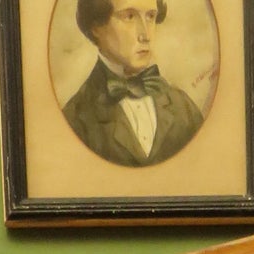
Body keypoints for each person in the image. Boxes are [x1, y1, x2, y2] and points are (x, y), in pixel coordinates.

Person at [62, 0, 206, 167]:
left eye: (151, 16)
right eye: (129, 16)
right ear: (96, 27)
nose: (145, 35)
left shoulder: (184, 109)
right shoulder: (74, 120)